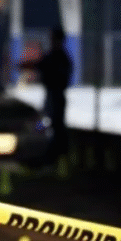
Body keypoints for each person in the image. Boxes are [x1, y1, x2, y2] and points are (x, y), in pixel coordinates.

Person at [31, 26, 73, 162]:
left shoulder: (60, 58)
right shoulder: (55, 57)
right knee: (49, 123)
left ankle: (56, 154)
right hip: (52, 96)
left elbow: (59, 77)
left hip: (56, 96)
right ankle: (53, 154)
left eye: (53, 38)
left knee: (55, 126)